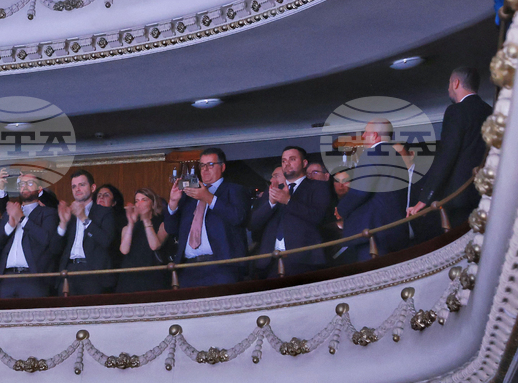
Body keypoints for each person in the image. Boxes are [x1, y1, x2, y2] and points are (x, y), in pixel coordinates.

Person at [408, 68, 494, 228]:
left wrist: (424, 199)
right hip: (487, 193)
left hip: (460, 197)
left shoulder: (456, 111)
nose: (448, 88)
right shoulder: (490, 111)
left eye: (449, 83)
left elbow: (446, 155)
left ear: (456, 83)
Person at [163, 148, 250, 287]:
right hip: (188, 268)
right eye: (202, 165)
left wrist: (209, 198)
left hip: (221, 266)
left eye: (210, 164)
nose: (205, 169)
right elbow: (171, 228)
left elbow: (238, 218)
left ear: (222, 167)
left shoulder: (234, 190)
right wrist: (173, 202)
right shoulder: (189, 195)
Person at [249, 146, 332, 277]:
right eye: (283, 161)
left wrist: (288, 201)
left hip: (304, 260)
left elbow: (318, 218)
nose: (287, 164)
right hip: (270, 261)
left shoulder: (318, 187)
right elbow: (253, 224)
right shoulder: (274, 189)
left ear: (304, 163)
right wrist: (271, 203)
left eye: (292, 159)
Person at [336, 120, 410, 262]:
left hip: (374, 232)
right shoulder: (396, 157)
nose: (363, 135)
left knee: (373, 279)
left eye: (365, 132)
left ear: (374, 135)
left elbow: (360, 192)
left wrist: (341, 209)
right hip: (395, 231)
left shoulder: (372, 154)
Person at [0, 172, 62, 298]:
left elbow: (46, 239)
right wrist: (10, 226)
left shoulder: (47, 212)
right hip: (7, 278)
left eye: (30, 183)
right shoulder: (11, 212)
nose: (25, 186)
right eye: (22, 183)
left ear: (39, 189)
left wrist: (22, 219)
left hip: (33, 278)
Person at [57, 170, 115, 296]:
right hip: (69, 271)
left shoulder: (104, 212)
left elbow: (106, 241)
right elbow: (55, 249)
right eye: (74, 186)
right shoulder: (68, 213)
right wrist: (62, 223)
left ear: (93, 187)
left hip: (93, 272)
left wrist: (84, 218)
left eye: (81, 185)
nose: (77, 189)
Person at [116, 188, 171, 293]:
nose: (139, 203)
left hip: (152, 277)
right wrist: (131, 223)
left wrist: (146, 220)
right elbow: (124, 250)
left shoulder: (162, 223)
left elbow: (155, 245)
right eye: (136, 201)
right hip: (130, 278)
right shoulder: (128, 227)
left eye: (144, 200)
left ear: (153, 203)